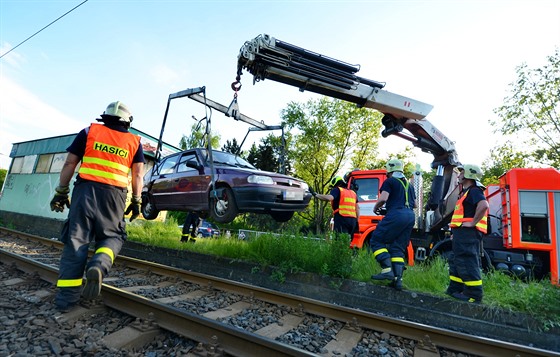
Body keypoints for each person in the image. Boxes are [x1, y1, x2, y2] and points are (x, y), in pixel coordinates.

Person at [49, 101, 145, 311]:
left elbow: (69, 163)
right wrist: (137, 201)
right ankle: (99, 264)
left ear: (105, 117)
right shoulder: (135, 142)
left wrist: (61, 191)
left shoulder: (88, 131)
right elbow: (137, 174)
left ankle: (66, 300)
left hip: (85, 192)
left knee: (76, 240)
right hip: (114, 196)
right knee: (113, 236)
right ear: (127, 121)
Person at [369, 159, 416, 290]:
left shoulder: (389, 181)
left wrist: (376, 207)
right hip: (410, 216)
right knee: (398, 248)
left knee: (376, 240)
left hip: (396, 215)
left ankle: (387, 269)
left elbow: (383, 198)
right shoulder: (410, 185)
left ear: (389, 171)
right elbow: (415, 205)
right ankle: (398, 280)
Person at [446, 164, 489, 303]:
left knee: (467, 260)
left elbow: (484, 205)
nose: (458, 175)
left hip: (468, 233)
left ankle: (474, 295)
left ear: (468, 175)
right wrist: (455, 231)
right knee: (456, 260)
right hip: (462, 233)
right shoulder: (466, 192)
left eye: (461, 172)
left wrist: (473, 223)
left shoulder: (474, 191)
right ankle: (455, 289)